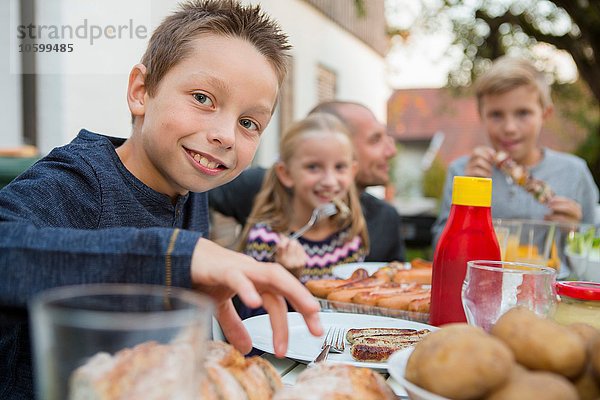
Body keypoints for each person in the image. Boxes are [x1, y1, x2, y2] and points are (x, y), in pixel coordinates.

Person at [0, 1, 323, 397]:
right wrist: (174, 256)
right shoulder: (79, 181)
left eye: (248, 123)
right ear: (141, 92)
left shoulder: (188, 190)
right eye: (203, 98)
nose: (226, 134)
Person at [432, 56, 599, 246]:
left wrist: (575, 231)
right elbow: (440, 249)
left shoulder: (574, 173)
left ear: (545, 115)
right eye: (496, 115)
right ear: (481, 116)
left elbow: (594, 247)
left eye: (523, 113)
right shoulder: (462, 172)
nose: (510, 128)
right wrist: (468, 199)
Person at [210, 100, 406, 262]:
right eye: (375, 139)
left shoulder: (378, 222)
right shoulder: (260, 189)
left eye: (340, 167)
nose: (392, 151)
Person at [241, 113, 369, 282]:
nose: (329, 181)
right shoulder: (266, 239)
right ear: (286, 173)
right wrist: (286, 277)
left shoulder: (350, 238)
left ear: (352, 172)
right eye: (313, 167)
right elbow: (253, 307)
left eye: (340, 167)